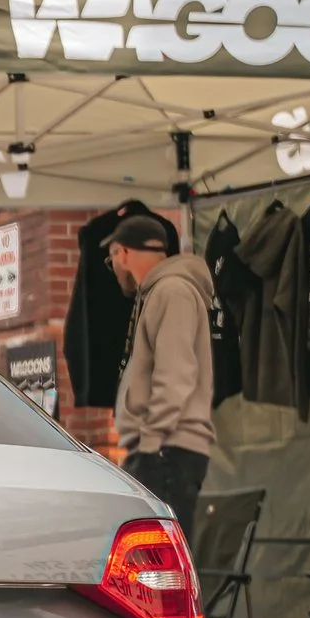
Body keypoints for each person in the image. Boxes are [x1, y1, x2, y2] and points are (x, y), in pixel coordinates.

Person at [108, 213, 219, 545]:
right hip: (163, 448)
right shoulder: (161, 291)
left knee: (160, 564)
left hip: (167, 449)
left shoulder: (172, 291)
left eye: (111, 257)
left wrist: (152, 443)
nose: (112, 266)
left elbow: (176, 373)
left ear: (122, 253)